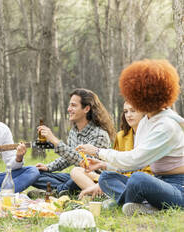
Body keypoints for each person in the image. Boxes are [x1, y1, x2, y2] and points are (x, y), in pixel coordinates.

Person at [77, 59, 184, 215]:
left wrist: (98, 151)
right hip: (158, 181)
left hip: (178, 188)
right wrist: (103, 166)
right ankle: (147, 205)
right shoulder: (146, 121)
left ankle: (129, 203)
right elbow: (133, 163)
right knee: (106, 177)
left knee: (138, 179)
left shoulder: (166, 126)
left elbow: (135, 160)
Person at [29, 88, 114, 198]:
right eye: (69, 105)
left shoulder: (100, 135)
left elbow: (85, 164)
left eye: (73, 105)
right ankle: (65, 191)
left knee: (75, 177)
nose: (69, 109)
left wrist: (54, 141)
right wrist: (48, 167)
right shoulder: (74, 131)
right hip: (75, 176)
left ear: (86, 109)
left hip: (93, 179)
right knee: (35, 175)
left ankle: (55, 192)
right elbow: (68, 157)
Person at [71, 101, 152, 199]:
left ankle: (105, 192)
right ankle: (104, 193)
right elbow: (116, 165)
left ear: (144, 112)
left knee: (106, 179)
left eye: (133, 111)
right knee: (76, 171)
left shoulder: (150, 136)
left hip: (138, 181)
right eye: (126, 112)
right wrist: (102, 165)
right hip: (118, 178)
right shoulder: (121, 136)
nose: (129, 115)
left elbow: (147, 173)